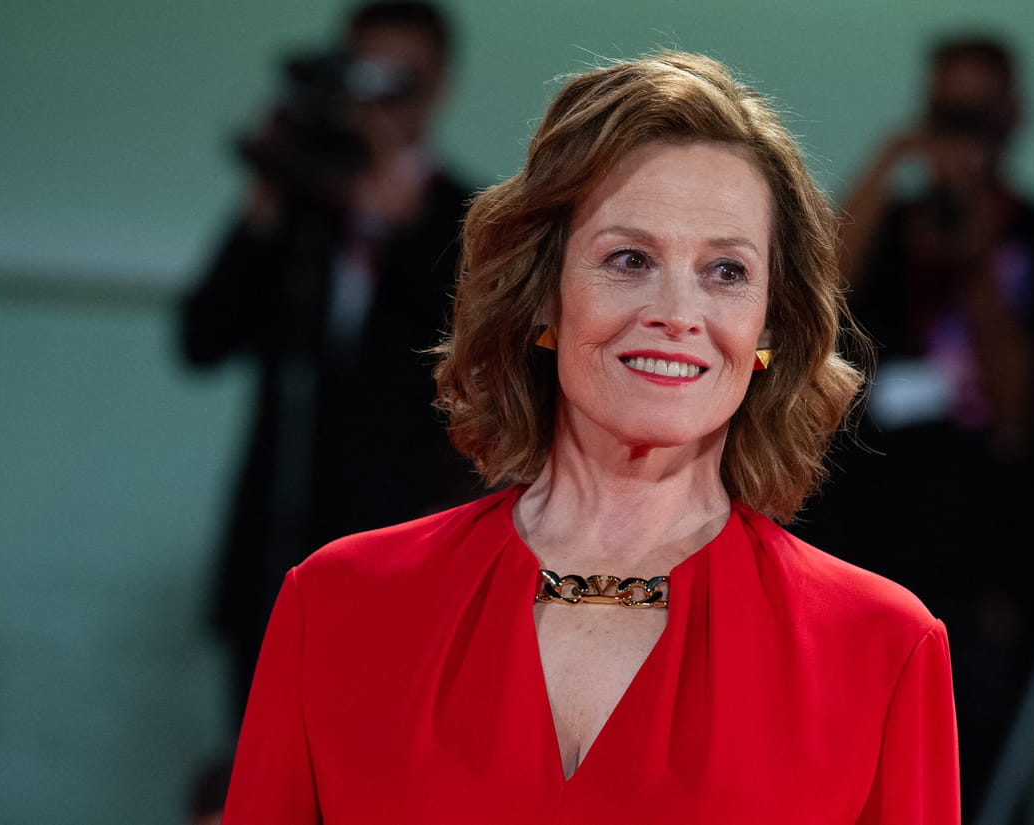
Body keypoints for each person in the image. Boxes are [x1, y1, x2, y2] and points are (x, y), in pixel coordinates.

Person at [220, 51, 961, 824]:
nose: (678, 313)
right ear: (543, 294)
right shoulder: (340, 603)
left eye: (727, 272)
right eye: (629, 259)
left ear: (769, 325)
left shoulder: (883, 648)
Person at [792, 33, 1034, 819]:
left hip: (979, 570)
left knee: (961, 780)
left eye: (977, 115)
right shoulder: (888, 231)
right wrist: (893, 159)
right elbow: (810, 310)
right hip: (856, 543)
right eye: (945, 113)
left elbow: (1027, 412)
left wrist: (977, 257)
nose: (960, 133)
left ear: (1015, 117)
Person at [179, 1, 480, 727]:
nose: (375, 100)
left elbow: (481, 359)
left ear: (438, 87)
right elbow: (202, 339)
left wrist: (402, 227)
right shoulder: (298, 203)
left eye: (398, 80)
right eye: (360, 76)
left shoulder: (467, 218)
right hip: (274, 548)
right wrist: (267, 197)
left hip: (402, 547)